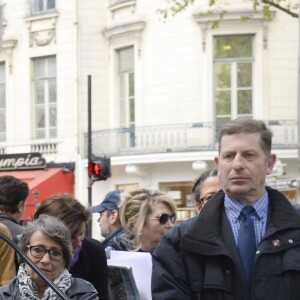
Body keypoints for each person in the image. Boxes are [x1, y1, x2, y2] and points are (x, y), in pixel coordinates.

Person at [152, 118, 300, 300]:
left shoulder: (296, 230)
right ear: (218, 164)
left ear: (269, 163)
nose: (237, 165)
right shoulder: (178, 243)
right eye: (229, 156)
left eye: (249, 155)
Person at [0, 214, 98, 299]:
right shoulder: (4, 295)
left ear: (65, 260)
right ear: (24, 252)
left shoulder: (83, 293)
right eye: (38, 250)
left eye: (55, 253)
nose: (46, 260)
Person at [34, 194, 108, 299]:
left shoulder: (93, 251)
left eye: (81, 234)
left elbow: (101, 296)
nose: (78, 242)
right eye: (72, 237)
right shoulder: (26, 250)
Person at [111, 187, 177, 252]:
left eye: (172, 217)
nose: (170, 225)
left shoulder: (176, 252)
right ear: (136, 222)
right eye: (163, 218)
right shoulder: (115, 254)